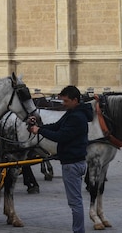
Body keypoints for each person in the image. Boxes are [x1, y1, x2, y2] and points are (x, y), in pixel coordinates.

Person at [29, 85, 93, 233]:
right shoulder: (73, 112)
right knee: (75, 201)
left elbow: (61, 136)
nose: (63, 104)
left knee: (75, 202)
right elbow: (57, 126)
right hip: (74, 161)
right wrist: (39, 126)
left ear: (75, 100)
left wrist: (39, 131)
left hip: (72, 164)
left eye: (66, 101)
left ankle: (79, 231)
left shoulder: (77, 117)